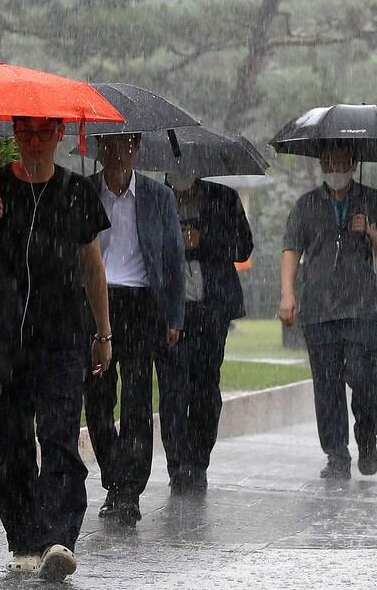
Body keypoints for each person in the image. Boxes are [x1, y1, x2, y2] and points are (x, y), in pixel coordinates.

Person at [0, 116, 113, 582]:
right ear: (15, 134)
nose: (34, 142)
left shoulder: (77, 192)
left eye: (44, 132)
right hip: (2, 340)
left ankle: (60, 539)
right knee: (14, 447)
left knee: (60, 436)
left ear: (60, 134)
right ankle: (25, 539)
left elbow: (93, 269)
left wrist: (104, 334)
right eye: (25, 132)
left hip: (61, 338)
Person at [278, 141, 377, 480]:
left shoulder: (372, 199)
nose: (335, 168)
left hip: (363, 306)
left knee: (366, 377)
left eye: (342, 161)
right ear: (321, 164)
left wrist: (370, 232)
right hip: (319, 309)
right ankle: (336, 454)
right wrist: (287, 294)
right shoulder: (306, 205)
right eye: (329, 162)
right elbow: (291, 249)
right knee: (327, 384)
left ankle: (367, 437)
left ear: (354, 162)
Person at [85, 133, 185, 526]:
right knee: (96, 397)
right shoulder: (86, 193)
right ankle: (114, 475)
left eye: (125, 146)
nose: (116, 154)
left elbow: (174, 259)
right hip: (97, 302)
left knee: (138, 400)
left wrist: (174, 316)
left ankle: (129, 491)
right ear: (98, 149)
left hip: (142, 304)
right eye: (108, 145)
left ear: (137, 148)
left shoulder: (158, 198)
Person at [159, 168, 254, 494]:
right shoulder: (157, 199)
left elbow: (243, 246)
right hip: (171, 312)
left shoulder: (223, 199)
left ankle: (197, 462)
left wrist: (203, 240)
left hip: (211, 312)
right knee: (172, 390)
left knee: (205, 387)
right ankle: (177, 465)